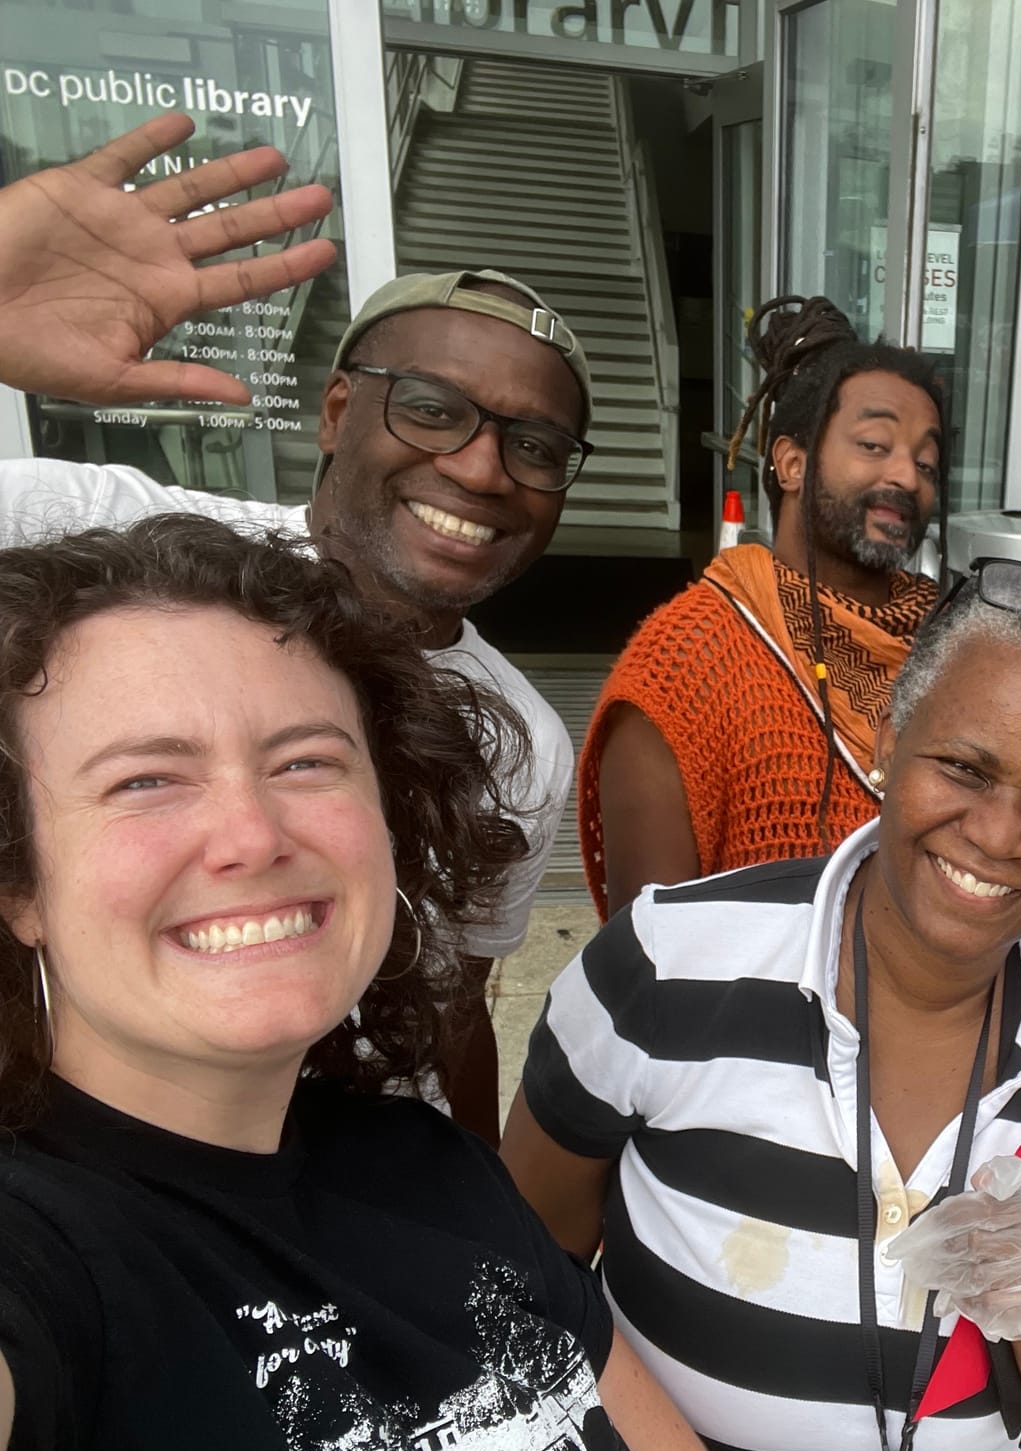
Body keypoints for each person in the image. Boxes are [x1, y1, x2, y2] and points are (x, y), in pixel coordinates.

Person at [0, 514, 723, 1451]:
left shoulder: (432, 1168)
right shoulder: (41, 1263)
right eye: (146, 780)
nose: (252, 835)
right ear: (20, 884)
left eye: (304, 761)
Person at [501, 570, 1021, 1451]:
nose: (997, 833)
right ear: (889, 745)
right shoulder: (666, 969)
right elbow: (520, 1279)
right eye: (965, 768)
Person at [0, 115, 588, 1143]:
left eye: (533, 445)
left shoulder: (525, 740)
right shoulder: (105, 534)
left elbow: (455, 998)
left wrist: (478, 1202)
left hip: (334, 1181)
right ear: (336, 412)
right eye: (436, 410)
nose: (483, 470)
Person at [580, 295, 946, 916]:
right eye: (875, 445)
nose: (908, 478)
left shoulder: (957, 645)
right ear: (792, 462)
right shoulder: (686, 663)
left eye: (928, 462)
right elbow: (648, 962)